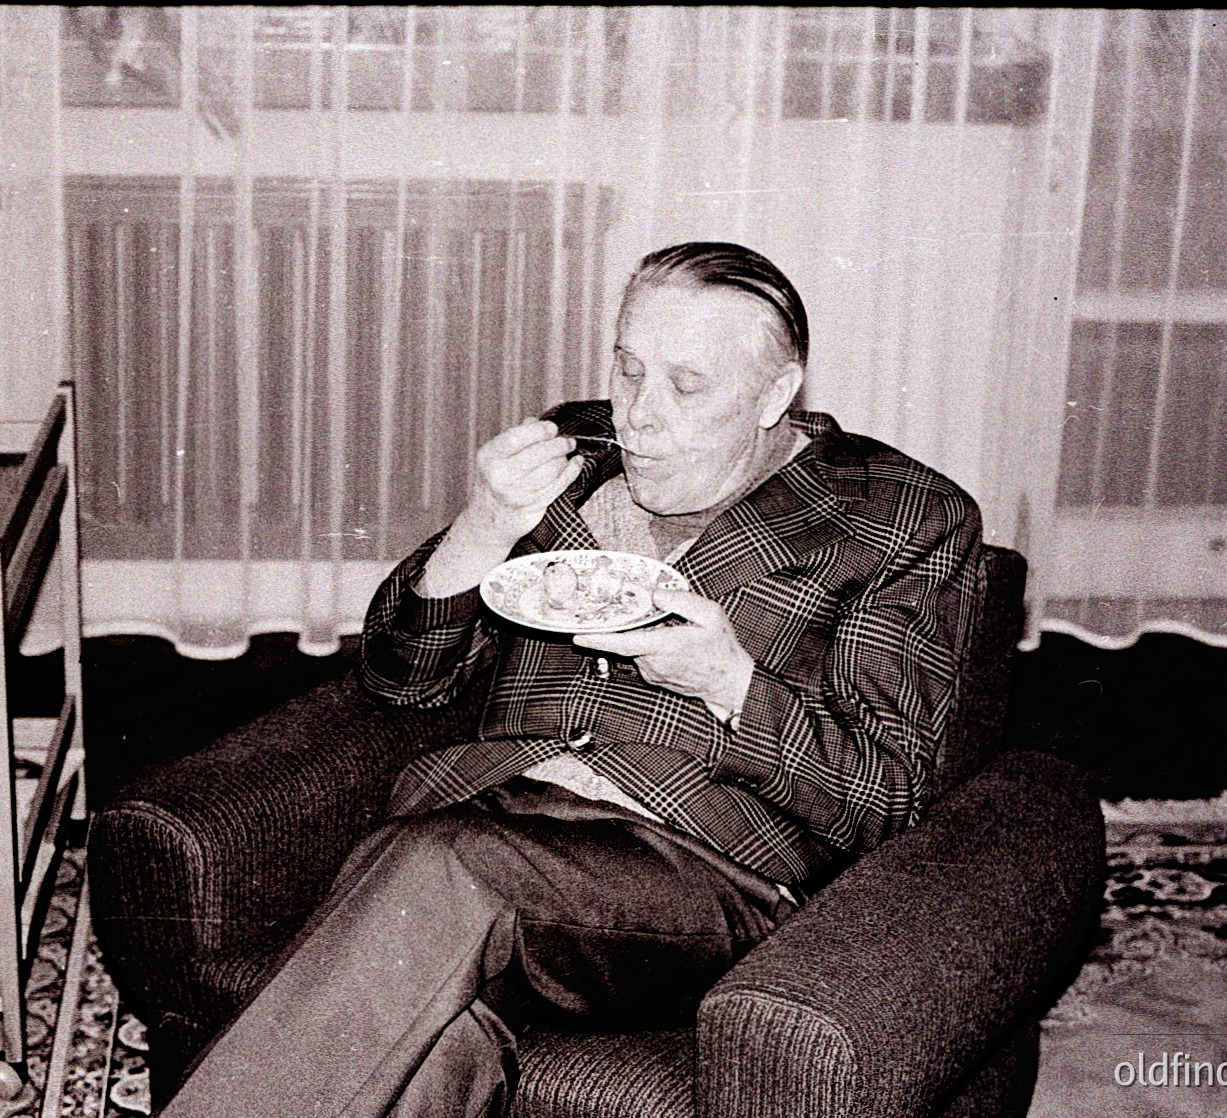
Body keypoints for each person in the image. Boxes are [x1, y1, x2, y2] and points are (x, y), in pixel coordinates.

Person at [162, 242, 984, 1117]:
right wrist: (480, 529)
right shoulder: (574, 452)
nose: (638, 416)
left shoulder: (898, 516)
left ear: (776, 396)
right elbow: (400, 679)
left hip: (704, 869)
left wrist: (732, 682)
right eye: (628, 371)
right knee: (439, 1043)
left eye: (687, 387)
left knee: (441, 867)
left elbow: (890, 794)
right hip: (494, 815)